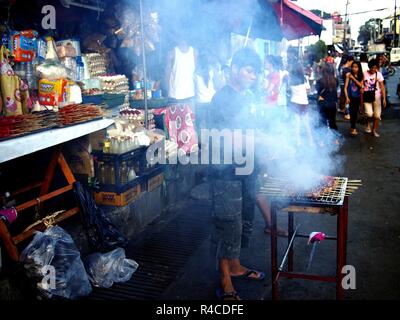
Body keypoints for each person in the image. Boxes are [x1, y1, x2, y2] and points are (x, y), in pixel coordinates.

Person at [208, 47, 265, 301]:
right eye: (249, 70)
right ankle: (225, 279)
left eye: (256, 71)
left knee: (244, 219)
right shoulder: (221, 99)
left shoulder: (249, 96)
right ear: (234, 70)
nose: (254, 75)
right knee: (227, 222)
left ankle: (236, 265)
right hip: (226, 171)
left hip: (248, 167)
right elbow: (219, 138)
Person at [288, 62, 314, 147]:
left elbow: (289, 89)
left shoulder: (290, 79)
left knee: (296, 124)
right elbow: (308, 90)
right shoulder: (305, 78)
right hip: (303, 103)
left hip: (294, 102)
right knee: (306, 123)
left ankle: (298, 142)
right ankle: (311, 142)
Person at [363, 58, 387, 137]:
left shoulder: (378, 74)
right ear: (369, 67)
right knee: (369, 114)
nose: (373, 69)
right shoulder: (364, 74)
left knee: (377, 115)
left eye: (375, 67)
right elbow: (361, 84)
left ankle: (374, 130)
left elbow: (382, 87)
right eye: (372, 67)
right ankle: (368, 124)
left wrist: (384, 98)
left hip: (377, 96)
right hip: (367, 96)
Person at [316, 63, 339, 130]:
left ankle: (323, 139)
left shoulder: (319, 81)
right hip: (333, 104)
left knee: (322, 123)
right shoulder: (336, 81)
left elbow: (318, 91)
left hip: (322, 103)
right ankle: (335, 139)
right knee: (332, 122)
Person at [344, 61, 364, 136]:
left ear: (359, 68)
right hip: (350, 97)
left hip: (357, 97)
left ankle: (353, 127)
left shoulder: (361, 75)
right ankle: (353, 128)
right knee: (352, 113)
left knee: (355, 113)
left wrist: (354, 79)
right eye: (353, 67)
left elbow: (361, 86)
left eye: (356, 67)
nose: (354, 68)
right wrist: (346, 97)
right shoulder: (348, 75)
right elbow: (345, 88)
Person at [338, 54, 354, 120]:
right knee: (347, 99)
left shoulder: (341, 67)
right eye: (352, 62)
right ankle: (347, 113)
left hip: (342, 85)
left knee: (344, 98)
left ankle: (343, 110)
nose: (352, 64)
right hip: (346, 86)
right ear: (349, 61)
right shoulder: (347, 70)